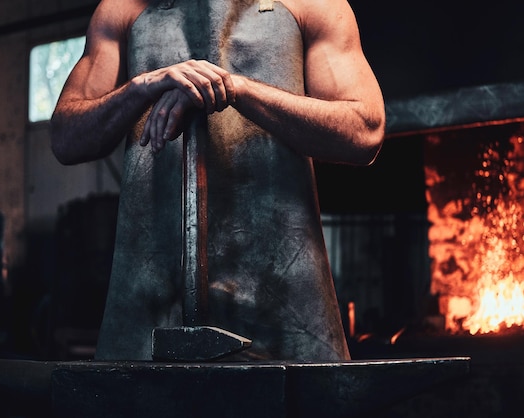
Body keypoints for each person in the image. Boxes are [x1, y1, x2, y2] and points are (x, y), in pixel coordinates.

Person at [50, 0, 385, 361]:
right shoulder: (121, 10)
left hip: (284, 300)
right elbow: (67, 138)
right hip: (151, 302)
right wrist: (144, 85)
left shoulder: (314, 4)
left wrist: (237, 88)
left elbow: (364, 131)